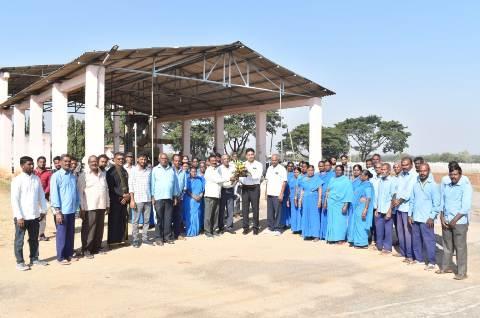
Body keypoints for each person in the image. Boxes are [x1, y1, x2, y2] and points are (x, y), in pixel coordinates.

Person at [11, 156, 48, 271]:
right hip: (22, 217)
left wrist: (43, 210)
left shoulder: (36, 179)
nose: (32, 166)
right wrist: (19, 217)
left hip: (34, 215)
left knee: (34, 239)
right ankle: (20, 262)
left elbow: (41, 195)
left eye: (32, 164)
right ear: (22, 166)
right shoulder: (17, 180)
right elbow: (14, 200)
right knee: (19, 240)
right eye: (29, 164)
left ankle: (34, 258)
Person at [437, 163, 472, 280]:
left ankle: (462, 273)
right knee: (447, 246)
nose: (453, 177)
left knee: (460, 248)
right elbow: (442, 202)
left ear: (460, 174)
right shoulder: (447, 185)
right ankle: (446, 267)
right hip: (446, 221)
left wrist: (454, 220)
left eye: (455, 174)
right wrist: (441, 217)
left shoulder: (465, 186)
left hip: (459, 222)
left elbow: (465, 207)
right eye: (451, 174)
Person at [408, 163, 440, 270]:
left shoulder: (433, 185)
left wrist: (431, 217)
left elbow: (437, 204)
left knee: (429, 241)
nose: (422, 173)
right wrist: (410, 215)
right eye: (420, 171)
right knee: (416, 240)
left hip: (427, 220)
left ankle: (431, 262)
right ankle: (419, 259)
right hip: (416, 217)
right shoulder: (415, 184)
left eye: (424, 171)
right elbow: (412, 201)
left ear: (428, 171)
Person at [77, 155, 110, 258]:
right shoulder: (84, 175)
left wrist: (108, 204)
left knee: (99, 228)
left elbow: (106, 190)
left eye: (95, 161)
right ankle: (86, 249)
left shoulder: (102, 175)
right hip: (89, 206)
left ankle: (96, 247)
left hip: (101, 205)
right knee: (89, 229)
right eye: (92, 162)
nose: (94, 163)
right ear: (88, 163)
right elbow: (80, 193)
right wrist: (82, 208)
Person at [50, 154, 79, 265]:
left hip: (71, 210)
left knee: (70, 234)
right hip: (62, 211)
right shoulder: (56, 176)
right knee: (62, 234)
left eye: (69, 161)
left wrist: (77, 208)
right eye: (65, 161)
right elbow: (54, 195)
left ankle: (69, 254)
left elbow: (75, 194)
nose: (67, 163)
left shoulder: (72, 176)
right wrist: (57, 211)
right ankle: (61, 257)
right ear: (61, 162)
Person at [392, 157, 418, 263]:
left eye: (406, 165)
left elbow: (409, 191)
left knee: (408, 233)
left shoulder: (414, 176)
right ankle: (403, 252)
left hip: (407, 208)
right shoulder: (401, 175)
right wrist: (394, 199)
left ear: (411, 165)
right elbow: (396, 189)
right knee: (400, 231)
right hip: (398, 207)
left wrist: (399, 200)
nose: (404, 167)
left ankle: (410, 255)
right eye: (403, 165)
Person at [151, 153, 179, 246]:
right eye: (162, 158)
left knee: (168, 218)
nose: (164, 160)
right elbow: (152, 184)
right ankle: (158, 238)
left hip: (169, 198)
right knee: (159, 219)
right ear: (159, 160)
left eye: (166, 158)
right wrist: (152, 196)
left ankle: (167, 237)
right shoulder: (155, 170)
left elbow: (175, 184)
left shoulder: (172, 170)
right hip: (158, 198)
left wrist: (175, 196)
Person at [127, 153, 152, 248]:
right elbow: (131, 186)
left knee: (146, 221)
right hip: (137, 199)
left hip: (148, 199)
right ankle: (135, 239)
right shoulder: (133, 171)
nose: (143, 161)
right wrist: (132, 200)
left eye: (145, 159)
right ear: (137, 160)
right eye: (141, 159)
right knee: (135, 221)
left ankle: (145, 238)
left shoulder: (149, 171)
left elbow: (150, 185)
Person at [324, 165, 353, 244]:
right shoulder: (332, 179)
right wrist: (325, 202)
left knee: (340, 222)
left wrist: (346, 205)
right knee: (331, 221)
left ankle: (340, 238)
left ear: (343, 171)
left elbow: (349, 193)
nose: (338, 171)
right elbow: (328, 191)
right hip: (331, 203)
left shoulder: (346, 180)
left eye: (340, 170)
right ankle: (332, 237)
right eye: (336, 170)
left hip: (341, 203)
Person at [106, 152, 130, 248]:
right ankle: (112, 242)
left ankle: (122, 240)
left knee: (123, 220)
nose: (121, 160)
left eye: (122, 159)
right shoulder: (110, 172)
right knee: (114, 220)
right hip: (115, 199)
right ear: (114, 160)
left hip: (125, 199)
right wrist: (122, 196)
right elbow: (111, 188)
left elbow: (127, 185)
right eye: (119, 159)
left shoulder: (124, 170)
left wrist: (127, 196)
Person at [204, 155, 231, 237]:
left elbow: (222, 183)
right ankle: (208, 231)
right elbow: (217, 180)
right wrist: (229, 178)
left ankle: (214, 230)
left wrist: (233, 182)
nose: (214, 162)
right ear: (208, 161)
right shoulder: (208, 170)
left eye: (215, 160)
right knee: (208, 215)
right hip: (210, 196)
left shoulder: (217, 170)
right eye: (212, 160)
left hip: (217, 195)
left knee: (215, 215)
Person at [239, 148, 263, 235]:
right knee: (245, 209)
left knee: (255, 208)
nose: (250, 156)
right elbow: (240, 177)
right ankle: (245, 227)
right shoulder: (242, 164)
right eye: (248, 154)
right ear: (246, 156)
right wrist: (241, 180)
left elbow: (258, 176)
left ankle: (255, 228)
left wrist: (248, 173)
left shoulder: (259, 164)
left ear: (254, 155)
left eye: (252, 154)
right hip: (245, 188)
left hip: (255, 188)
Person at [348, 169, 374, 248]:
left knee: (361, 225)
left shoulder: (368, 185)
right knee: (357, 224)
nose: (360, 176)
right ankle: (357, 242)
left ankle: (362, 243)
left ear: (366, 177)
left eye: (362, 175)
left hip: (362, 207)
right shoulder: (361, 183)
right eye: (360, 175)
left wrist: (365, 209)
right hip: (357, 207)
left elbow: (368, 198)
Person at [375, 163, 396, 254]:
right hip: (380, 209)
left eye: (385, 169)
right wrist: (376, 209)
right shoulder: (380, 180)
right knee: (379, 229)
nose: (383, 171)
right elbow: (379, 196)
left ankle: (387, 248)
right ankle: (379, 245)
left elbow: (393, 197)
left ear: (389, 170)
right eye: (382, 169)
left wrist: (389, 211)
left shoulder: (392, 181)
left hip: (388, 210)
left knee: (388, 230)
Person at [298, 165, 323, 241]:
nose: (310, 172)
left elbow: (320, 190)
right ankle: (307, 234)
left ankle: (316, 235)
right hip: (306, 200)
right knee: (306, 216)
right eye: (309, 170)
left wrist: (319, 200)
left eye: (312, 170)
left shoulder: (317, 179)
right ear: (307, 171)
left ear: (314, 171)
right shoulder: (304, 179)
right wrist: (300, 200)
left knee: (314, 216)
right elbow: (302, 190)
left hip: (314, 199)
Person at [265, 154, 287, 235]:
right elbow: (267, 181)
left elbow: (284, 182)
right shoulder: (269, 168)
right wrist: (266, 193)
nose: (273, 161)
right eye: (272, 160)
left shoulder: (282, 169)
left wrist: (281, 193)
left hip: (277, 194)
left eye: (275, 160)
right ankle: (270, 227)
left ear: (278, 160)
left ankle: (278, 229)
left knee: (278, 212)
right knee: (270, 212)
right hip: (270, 193)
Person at [34, 156, 52, 241]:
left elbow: (49, 184)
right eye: (40, 162)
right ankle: (34, 234)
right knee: (34, 216)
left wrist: (44, 193)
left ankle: (41, 234)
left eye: (44, 162)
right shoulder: (33, 172)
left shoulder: (48, 173)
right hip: (33, 198)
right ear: (37, 162)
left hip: (44, 198)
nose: (42, 163)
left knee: (43, 216)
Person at [184, 166, 205, 236]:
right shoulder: (187, 180)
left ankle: (196, 231)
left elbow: (203, 189)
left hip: (198, 200)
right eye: (192, 171)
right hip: (189, 200)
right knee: (190, 215)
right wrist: (193, 196)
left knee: (197, 215)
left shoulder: (200, 179)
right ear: (190, 172)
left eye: (195, 171)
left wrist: (200, 196)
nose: (194, 173)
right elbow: (186, 189)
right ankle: (189, 231)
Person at [218, 154, 236, 234]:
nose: (226, 160)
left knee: (230, 210)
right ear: (221, 160)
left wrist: (234, 182)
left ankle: (229, 227)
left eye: (227, 158)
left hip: (231, 190)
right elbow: (219, 180)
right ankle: (221, 227)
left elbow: (236, 177)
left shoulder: (233, 167)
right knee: (221, 210)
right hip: (222, 190)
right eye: (224, 159)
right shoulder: (219, 169)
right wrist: (228, 180)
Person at [172, 154, 187, 240]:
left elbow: (185, 187)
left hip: (179, 198)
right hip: (170, 198)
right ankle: (168, 234)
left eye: (179, 161)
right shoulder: (170, 171)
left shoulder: (183, 172)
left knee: (178, 217)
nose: (177, 162)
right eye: (176, 161)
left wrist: (179, 197)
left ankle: (177, 234)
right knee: (169, 217)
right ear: (173, 161)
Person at [319, 160, 335, 240]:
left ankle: (328, 234)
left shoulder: (334, 174)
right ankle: (322, 234)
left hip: (330, 198)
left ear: (331, 165)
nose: (326, 167)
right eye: (325, 165)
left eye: (328, 165)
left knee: (329, 216)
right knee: (322, 215)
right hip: (321, 197)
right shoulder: (321, 175)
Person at [346, 164, 362, 242]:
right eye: (354, 170)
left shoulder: (361, 180)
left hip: (358, 204)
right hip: (351, 203)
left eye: (357, 170)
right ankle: (351, 238)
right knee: (351, 220)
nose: (355, 172)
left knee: (356, 221)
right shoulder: (352, 180)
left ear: (360, 171)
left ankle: (356, 239)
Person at [288, 167, 302, 234]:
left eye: (297, 172)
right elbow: (289, 190)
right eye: (295, 172)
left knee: (299, 213)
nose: (296, 173)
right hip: (292, 198)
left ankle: (300, 228)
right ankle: (294, 228)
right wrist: (288, 200)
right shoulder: (291, 180)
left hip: (299, 198)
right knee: (293, 213)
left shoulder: (301, 179)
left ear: (300, 173)